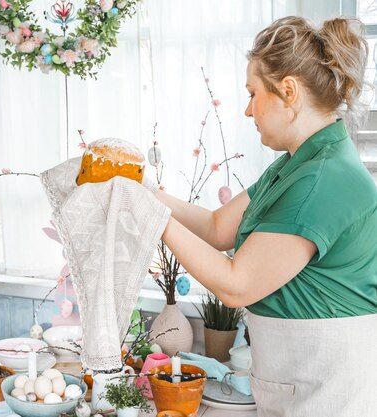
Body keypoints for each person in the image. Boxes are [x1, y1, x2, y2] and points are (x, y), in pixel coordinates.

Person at [155, 16, 377, 417]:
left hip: (330, 389)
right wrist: (149, 196)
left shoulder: (323, 179)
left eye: (253, 93)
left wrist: (149, 218)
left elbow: (237, 285)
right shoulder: (296, 164)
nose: (246, 110)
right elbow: (218, 227)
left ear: (288, 91)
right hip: (298, 378)